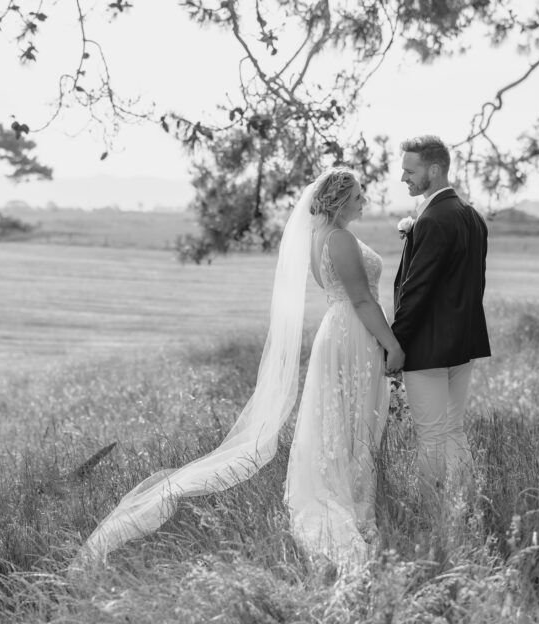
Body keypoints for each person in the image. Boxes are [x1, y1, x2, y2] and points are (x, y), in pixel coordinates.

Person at [73, 168, 402, 570]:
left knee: (343, 422)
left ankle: (352, 492)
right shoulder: (340, 239)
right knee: (352, 422)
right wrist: (393, 346)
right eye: (356, 197)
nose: (363, 202)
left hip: (339, 332)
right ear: (337, 201)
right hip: (353, 334)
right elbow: (364, 301)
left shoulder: (318, 238)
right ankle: (352, 502)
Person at [392, 135, 491, 493]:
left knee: (431, 435)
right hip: (462, 345)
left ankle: (430, 513)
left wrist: (395, 343)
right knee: (453, 428)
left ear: (434, 170)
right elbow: (473, 286)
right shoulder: (472, 217)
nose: (404, 177)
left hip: (428, 347)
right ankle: (465, 503)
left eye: (410, 170)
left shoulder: (432, 219)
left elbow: (415, 291)